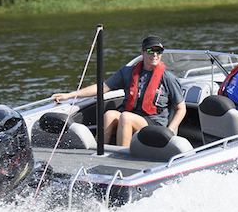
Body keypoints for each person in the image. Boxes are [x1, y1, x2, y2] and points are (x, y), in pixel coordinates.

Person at [51, 34, 186, 147]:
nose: (155, 55)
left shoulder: (168, 78)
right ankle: (99, 151)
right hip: (128, 117)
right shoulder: (128, 72)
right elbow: (102, 88)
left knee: (125, 117)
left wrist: (170, 131)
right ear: (143, 52)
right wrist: (70, 95)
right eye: (151, 51)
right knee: (109, 114)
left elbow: (181, 108)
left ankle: (123, 157)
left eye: (159, 51)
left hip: (154, 122)